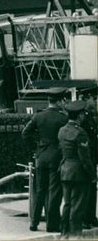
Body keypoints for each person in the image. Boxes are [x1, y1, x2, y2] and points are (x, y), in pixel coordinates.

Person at [21, 87, 68, 232]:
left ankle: (34, 222)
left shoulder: (38, 116)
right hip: (56, 157)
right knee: (54, 191)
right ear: (59, 101)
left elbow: (25, 133)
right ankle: (52, 224)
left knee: (40, 190)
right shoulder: (63, 118)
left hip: (41, 156)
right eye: (63, 100)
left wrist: (36, 148)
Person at [59, 100, 94, 238]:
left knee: (67, 204)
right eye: (83, 114)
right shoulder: (80, 133)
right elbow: (85, 158)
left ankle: (64, 234)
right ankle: (75, 235)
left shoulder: (62, 130)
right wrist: (93, 175)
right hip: (78, 173)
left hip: (65, 171)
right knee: (77, 206)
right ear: (79, 116)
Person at [79, 87, 98, 228]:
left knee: (92, 188)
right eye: (94, 99)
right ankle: (85, 217)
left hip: (92, 158)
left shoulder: (91, 115)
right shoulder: (83, 118)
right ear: (86, 99)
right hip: (85, 158)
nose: (96, 102)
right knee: (85, 189)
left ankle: (91, 216)